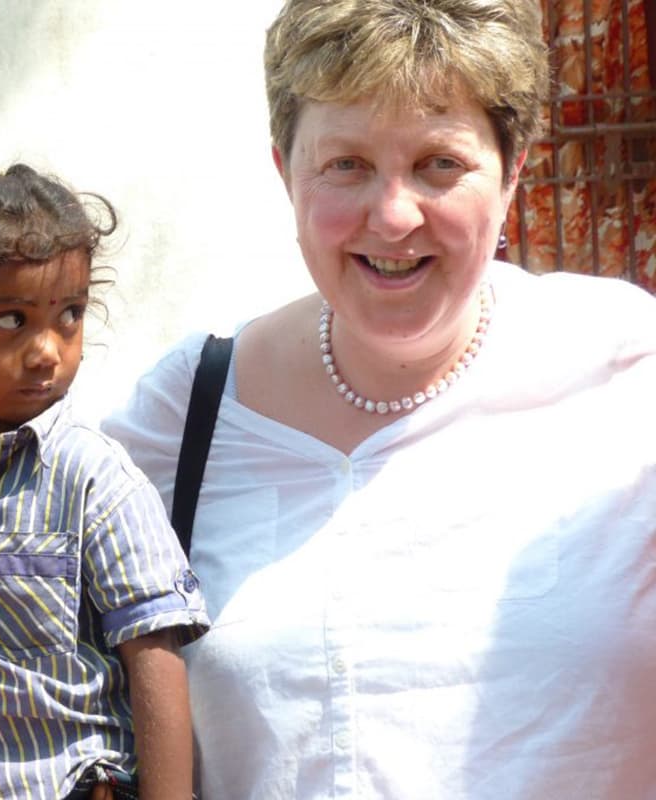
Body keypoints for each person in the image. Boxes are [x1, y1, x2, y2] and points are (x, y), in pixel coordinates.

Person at [103, 1, 656, 798]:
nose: (394, 215)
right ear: (284, 171)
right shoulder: (188, 412)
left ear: (516, 169)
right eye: (346, 165)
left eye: (440, 163)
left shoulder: (625, 369)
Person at [0, 163, 209, 800]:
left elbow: (155, 654)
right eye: (11, 320)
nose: (48, 350)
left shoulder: (93, 478)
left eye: (69, 315)